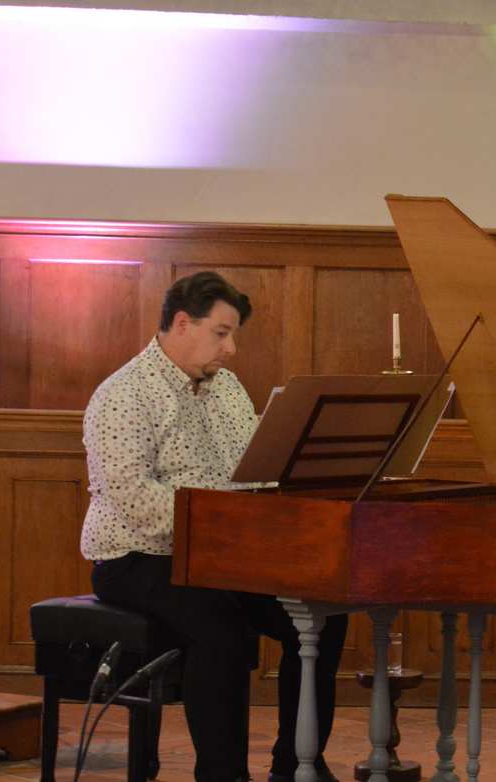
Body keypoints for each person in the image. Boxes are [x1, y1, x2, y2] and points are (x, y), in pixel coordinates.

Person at [80, 271, 349, 782]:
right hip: (136, 558)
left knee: (320, 618)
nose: (232, 348)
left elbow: (252, 474)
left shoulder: (227, 390)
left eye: (233, 334)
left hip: (223, 552)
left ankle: (296, 766)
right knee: (220, 625)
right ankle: (223, 775)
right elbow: (134, 499)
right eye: (222, 333)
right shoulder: (124, 394)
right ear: (182, 324)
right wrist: (224, 529)